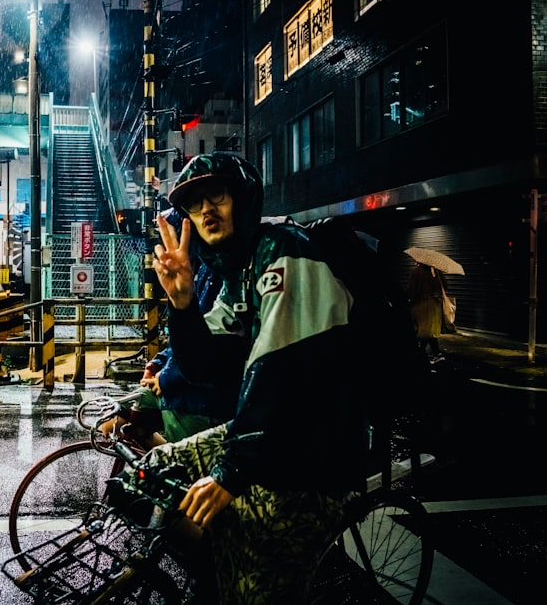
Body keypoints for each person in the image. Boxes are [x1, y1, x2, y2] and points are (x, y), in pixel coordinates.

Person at [147, 152, 370, 604]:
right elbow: (205, 366)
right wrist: (184, 305)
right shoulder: (236, 272)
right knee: (152, 472)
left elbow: (278, 370)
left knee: (255, 590)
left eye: (218, 194)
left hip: (319, 453)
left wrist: (230, 474)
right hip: (275, 438)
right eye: (193, 203)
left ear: (243, 199)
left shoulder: (286, 251)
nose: (206, 210)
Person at [99, 210, 244, 447]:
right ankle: (159, 467)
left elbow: (210, 343)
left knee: (186, 471)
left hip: (200, 398)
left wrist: (165, 377)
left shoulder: (224, 271)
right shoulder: (202, 269)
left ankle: (170, 470)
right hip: (182, 387)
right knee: (112, 422)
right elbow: (186, 335)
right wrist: (156, 363)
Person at [406, 262, 447, 363]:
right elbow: (445, 285)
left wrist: (408, 301)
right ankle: (435, 354)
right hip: (435, 306)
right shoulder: (437, 272)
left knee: (422, 331)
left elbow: (412, 290)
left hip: (422, 306)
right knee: (429, 332)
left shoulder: (416, 272)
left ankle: (423, 354)